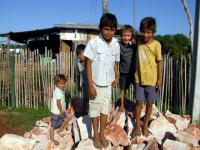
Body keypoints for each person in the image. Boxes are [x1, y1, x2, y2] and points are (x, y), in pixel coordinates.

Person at [84, 13, 120, 149]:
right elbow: (88, 65)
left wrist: (116, 77)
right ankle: (95, 136)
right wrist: (90, 85)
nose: (109, 32)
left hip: (108, 83)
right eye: (106, 29)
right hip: (96, 83)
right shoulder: (93, 43)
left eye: (112, 29)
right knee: (94, 110)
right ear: (100, 28)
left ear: (115, 30)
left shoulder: (116, 44)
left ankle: (102, 134)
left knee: (105, 109)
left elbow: (115, 63)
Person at [134, 17, 162, 137]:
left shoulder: (156, 45)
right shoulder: (138, 43)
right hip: (138, 79)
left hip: (152, 80)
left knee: (150, 104)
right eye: (143, 32)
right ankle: (137, 127)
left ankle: (145, 126)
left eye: (148, 32)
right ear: (141, 31)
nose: (145, 35)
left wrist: (159, 79)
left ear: (153, 32)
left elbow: (159, 62)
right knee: (139, 103)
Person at [118, 24, 137, 112]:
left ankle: (138, 105)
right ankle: (122, 105)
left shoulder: (134, 45)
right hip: (123, 72)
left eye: (128, 35)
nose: (126, 37)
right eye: (124, 35)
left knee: (137, 88)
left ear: (131, 36)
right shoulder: (118, 45)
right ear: (121, 36)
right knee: (123, 89)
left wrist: (135, 42)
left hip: (133, 72)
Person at [50, 74, 68, 145]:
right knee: (53, 126)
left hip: (60, 111)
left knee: (65, 120)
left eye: (64, 83)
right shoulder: (57, 91)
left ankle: (59, 131)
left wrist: (63, 110)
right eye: (61, 84)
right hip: (56, 112)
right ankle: (52, 138)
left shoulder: (60, 90)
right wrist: (61, 111)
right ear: (56, 84)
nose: (63, 85)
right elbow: (58, 103)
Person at [76, 44, 89, 115]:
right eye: (78, 54)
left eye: (82, 54)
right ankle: (85, 112)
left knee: (92, 99)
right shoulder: (78, 64)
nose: (80, 56)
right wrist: (78, 85)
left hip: (91, 83)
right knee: (85, 98)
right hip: (85, 84)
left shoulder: (89, 62)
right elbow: (78, 75)